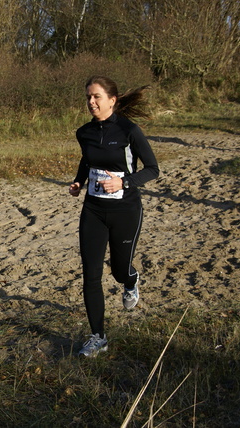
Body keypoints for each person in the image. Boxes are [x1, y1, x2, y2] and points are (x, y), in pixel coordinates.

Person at [69, 76, 159, 358]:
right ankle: (98, 336)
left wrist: (124, 183)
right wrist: (79, 181)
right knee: (91, 275)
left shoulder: (129, 130)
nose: (91, 102)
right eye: (88, 97)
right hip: (93, 209)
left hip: (125, 210)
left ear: (112, 100)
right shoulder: (84, 132)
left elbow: (153, 169)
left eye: (96, 96)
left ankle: (131, 280)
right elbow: (87, 159)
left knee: (119, 271)